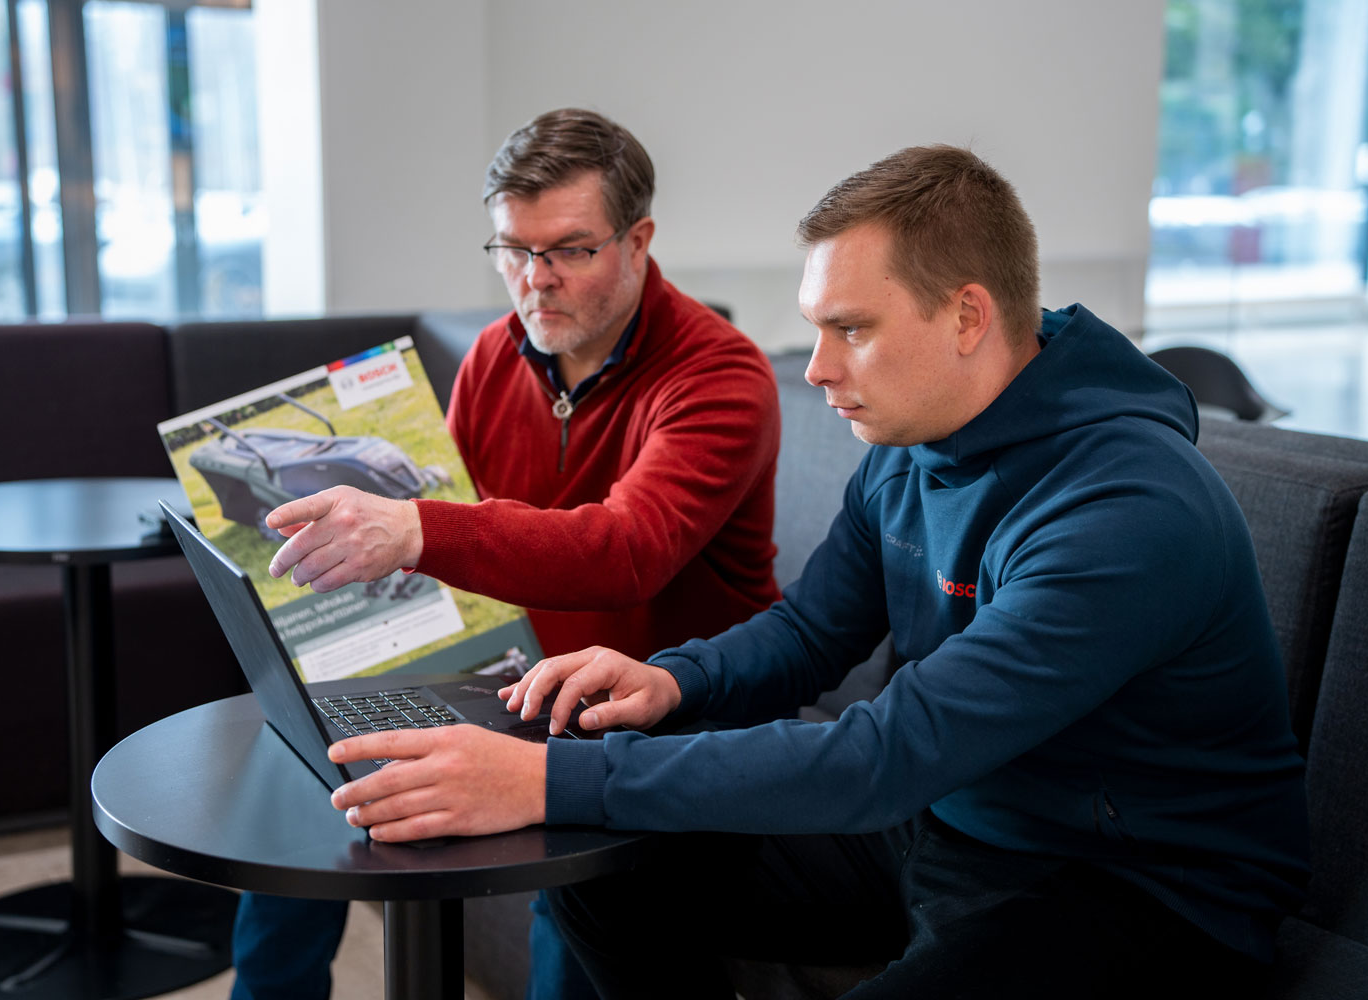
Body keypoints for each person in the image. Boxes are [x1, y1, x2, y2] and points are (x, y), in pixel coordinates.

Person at [322, 145, 1310, 999]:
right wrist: (674, 681)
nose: (816, 368)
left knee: (577, 805)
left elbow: (887, 754)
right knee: (598, 872)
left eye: (852, 329)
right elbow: (810, 633)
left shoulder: (1126, 511)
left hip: (1134, 885)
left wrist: (547, 775)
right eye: (818, 327)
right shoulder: (913, 440)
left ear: (968, 316)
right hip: (950, 820)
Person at [226, 109, 782, 1000]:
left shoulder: (720, 376)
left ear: (639, 241)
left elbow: (625, 552)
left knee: (572, 919)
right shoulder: (493, 356)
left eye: (569, 250)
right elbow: (457, 559)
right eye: (513, 250)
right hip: (512, 684)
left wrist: (417, 530)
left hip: (661, 711)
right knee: (301, 770)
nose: (535, 279)